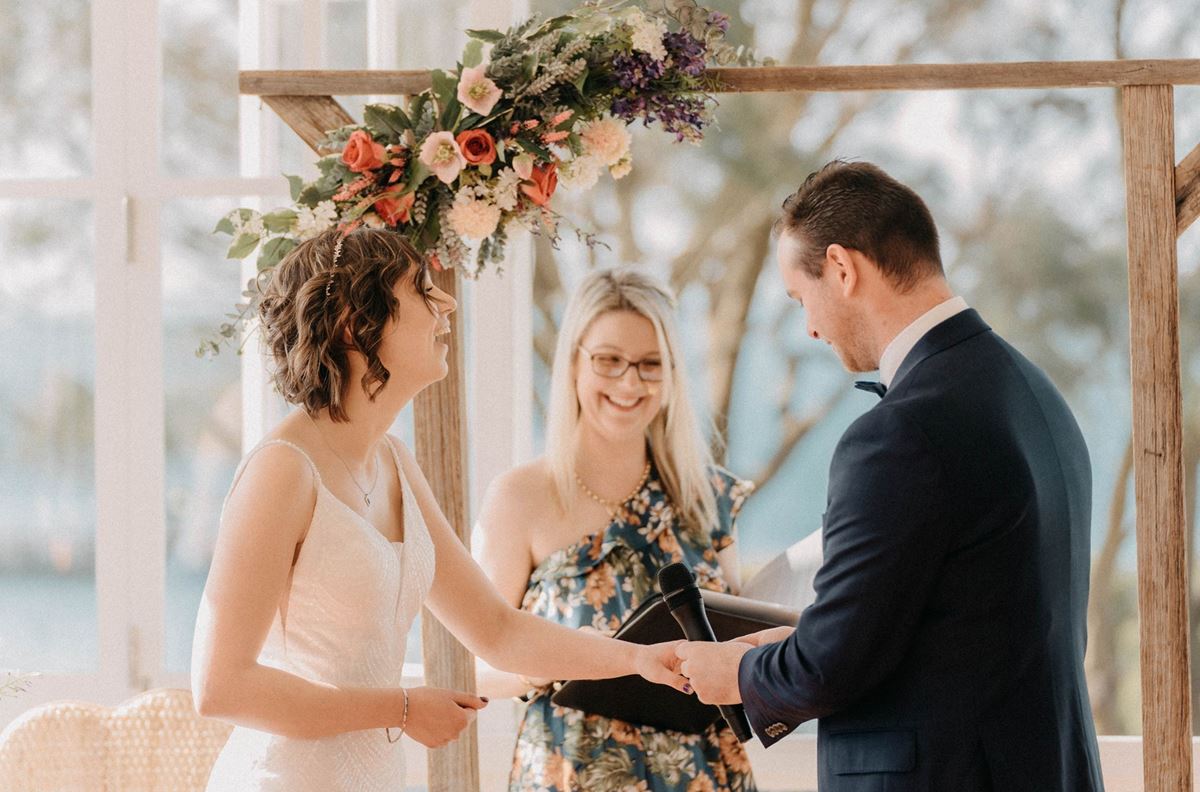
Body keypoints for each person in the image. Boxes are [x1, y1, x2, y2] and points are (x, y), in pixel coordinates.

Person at [190, 229, 685, 792]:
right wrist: (399, 709)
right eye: (424, 291)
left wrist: (641, 658)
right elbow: (220, 688)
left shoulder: (396, 461)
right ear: (358, 323)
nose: (448, 303)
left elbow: (498, 630)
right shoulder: (282, 470)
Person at [675, 161, 1105, 791]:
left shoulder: (898, 432)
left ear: (842, 269)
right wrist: (794, 641)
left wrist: (735, 675)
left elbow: (830, 667)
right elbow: (968, 618)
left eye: (802, 298)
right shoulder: (1035, 394)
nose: (811, 327)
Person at [474, 268, 758, 792]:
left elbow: (741, 642)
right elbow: (475, 664)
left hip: (701, 774)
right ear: (574, 362)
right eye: (609, 360)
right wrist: (558, 657)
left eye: (651, 365)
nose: (630, 383)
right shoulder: (519, 497)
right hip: (571, 771)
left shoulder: (709, 497)